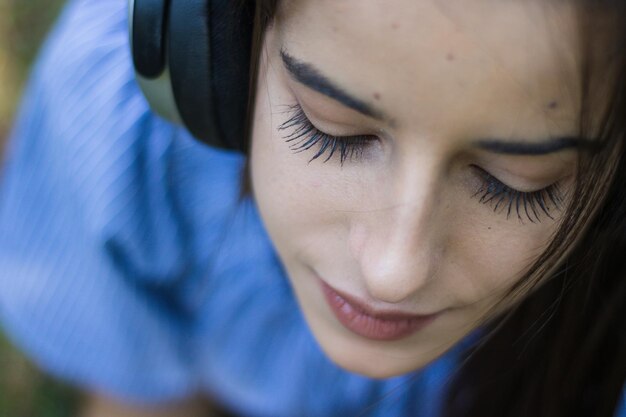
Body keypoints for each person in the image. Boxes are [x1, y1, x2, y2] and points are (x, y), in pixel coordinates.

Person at [0, 0, 624, 416]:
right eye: (331, 130)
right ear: (215, 59)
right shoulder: (127, 136)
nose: (392, 272)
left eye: (518, 182)